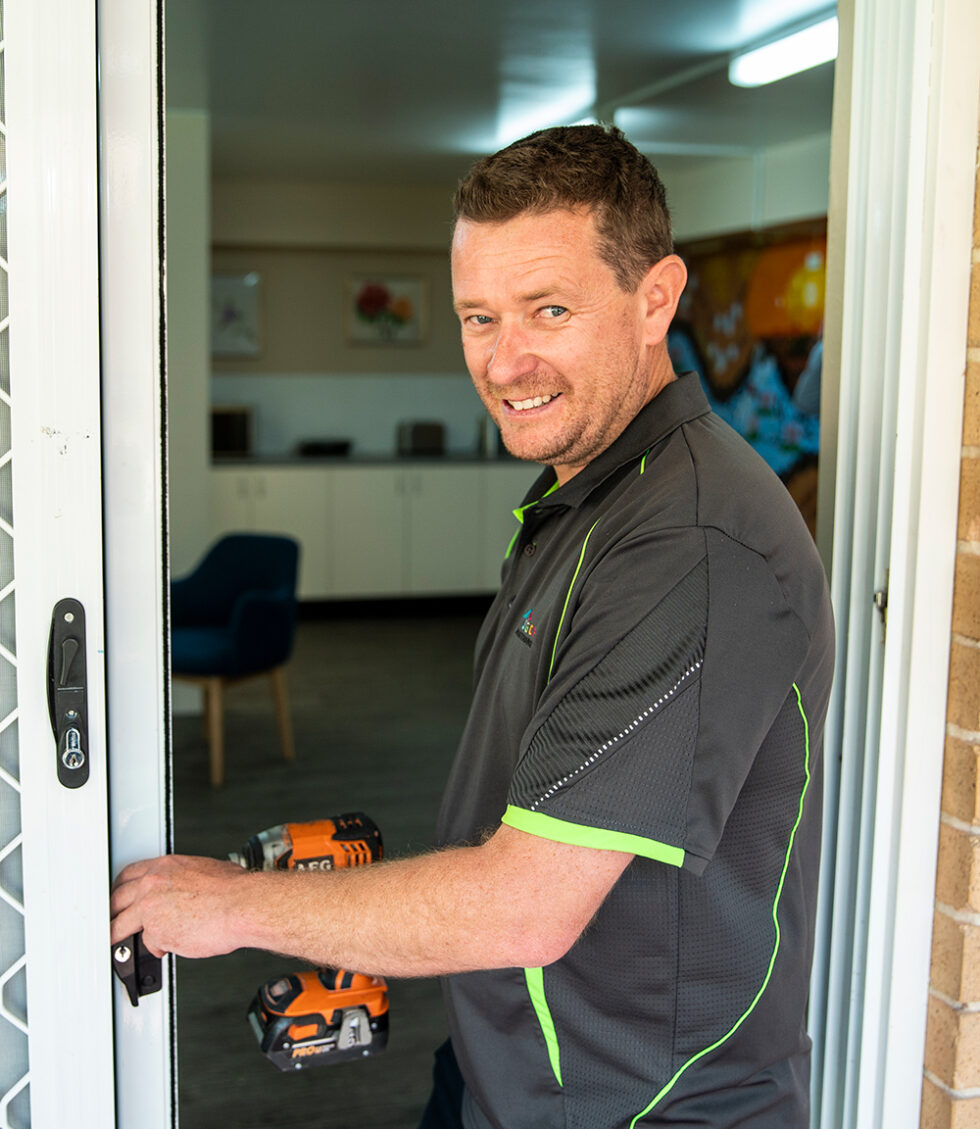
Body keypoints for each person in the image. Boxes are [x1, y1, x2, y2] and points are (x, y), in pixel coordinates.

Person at [112, 125, 834, 1129]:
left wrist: (229, 903)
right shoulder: (584, 494)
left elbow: (523, 903)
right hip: (510, 1057)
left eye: (548, 309)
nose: (505, 360)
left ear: (654, 298)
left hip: (638, 1107)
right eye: (477, 317)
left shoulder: (693, 549)